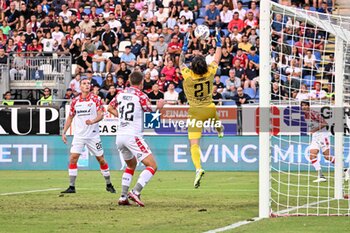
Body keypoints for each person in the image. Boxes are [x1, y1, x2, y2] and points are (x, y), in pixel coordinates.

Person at [107, 71, 165, 206]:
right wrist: (160, 108)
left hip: (120, 136)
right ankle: (136, 191)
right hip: (132, 136)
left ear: (129, 81)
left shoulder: (120, 94)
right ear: (142, 83)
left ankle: (122, 196)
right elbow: (150, 112)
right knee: (152, 165)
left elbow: (110, 107)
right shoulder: (141, 96)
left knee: (131, 165)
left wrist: (121, 117)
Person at [179, 30, 224, 188]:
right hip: (209, 108)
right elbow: (217, 58)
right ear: (204, 65)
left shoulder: (188, 76)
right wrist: (218, 44)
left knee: (194, 144)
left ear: (192, 67)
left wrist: (184, 49)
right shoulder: (210, 72)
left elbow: (180, 63)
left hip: (195, 113)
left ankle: (198, 168)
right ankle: (219, 131)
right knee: (215, 119)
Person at [61, 78, 116, 194]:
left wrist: (93, 121)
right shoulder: (75, 101)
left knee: (101, 159)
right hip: (79, 136)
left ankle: (108, 184)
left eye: (88, 84)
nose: (87, 85)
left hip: (93, 136)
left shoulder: (96, 99)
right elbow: (70, 117)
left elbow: (101, 115)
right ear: (80, 87)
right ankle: (72, 186)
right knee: (73, 158)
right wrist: (64, 132)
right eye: (84, 84)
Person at [300, 101, 335, 183]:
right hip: (315, 137)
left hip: (323, 136)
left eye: (305, 105)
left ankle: (344, 169)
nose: (303, 107)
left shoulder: (313, 113)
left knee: (327, 157)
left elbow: (324, 123)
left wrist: (313, 130)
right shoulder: (305, 115)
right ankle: (321, 176)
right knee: (312, 155)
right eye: (302, 106)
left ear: (308, 106)